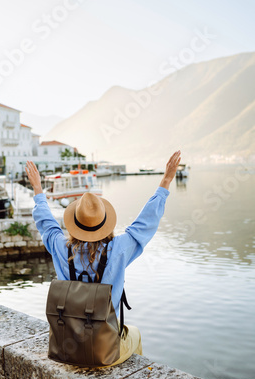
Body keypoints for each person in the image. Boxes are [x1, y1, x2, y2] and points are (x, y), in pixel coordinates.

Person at [25, 150, 181, 366]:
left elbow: (45, 223)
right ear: (105, 223)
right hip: (104, 352)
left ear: (75, 223)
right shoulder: (118, 249)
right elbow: (145, 224)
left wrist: (38, 189)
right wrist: (166, 180)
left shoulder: (61, 247)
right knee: (134, 334)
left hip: (68, 348)